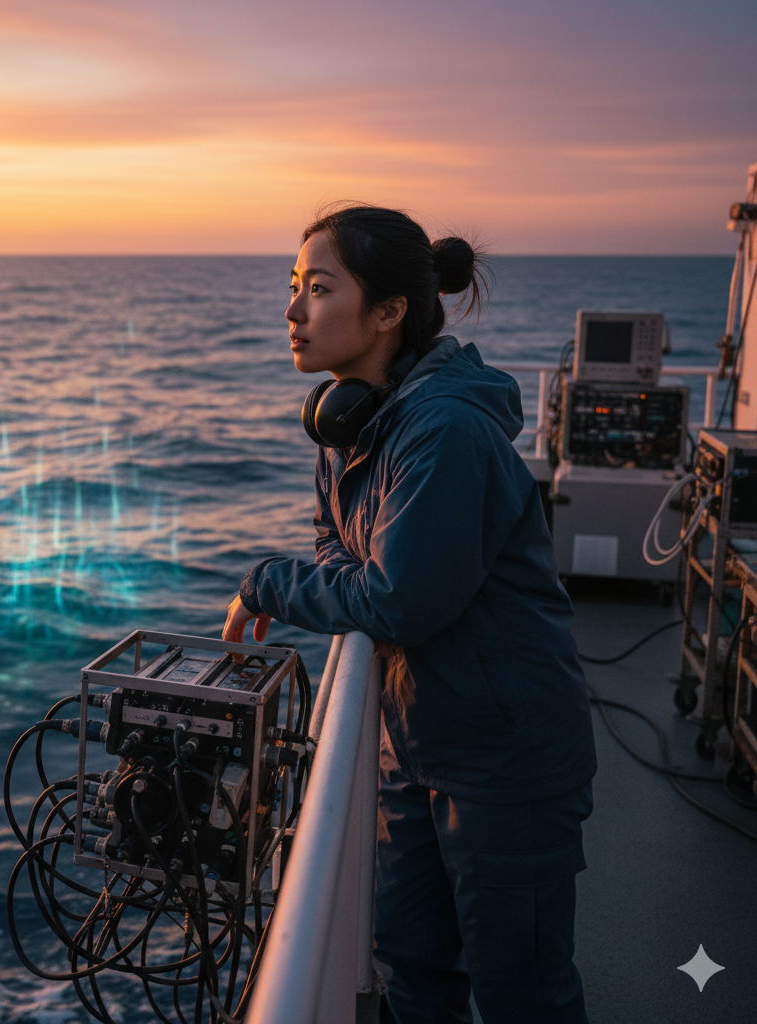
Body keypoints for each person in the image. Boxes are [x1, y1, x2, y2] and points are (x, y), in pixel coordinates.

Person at [222, 205, 597, 1024]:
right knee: (413, 974)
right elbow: (336, 549)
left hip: (504, 756)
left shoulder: (444, 431)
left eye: (318, 289)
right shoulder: (349, 423)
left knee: (521, 995)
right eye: (293, 287)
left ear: (390, 312)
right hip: (413, 743)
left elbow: (400, 600)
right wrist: (331, 579)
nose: (292, 310)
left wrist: (263, 584)